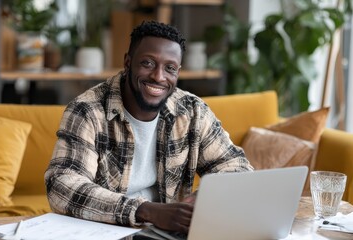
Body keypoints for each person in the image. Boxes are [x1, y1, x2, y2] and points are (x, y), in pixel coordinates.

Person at [44, 20, 253, 234]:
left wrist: (207, 197)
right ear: (128, 63)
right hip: (106, 231)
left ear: (178, 72)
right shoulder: (88, 110)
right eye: (148, 63)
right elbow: (62, 185)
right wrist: (147, 211)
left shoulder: (193, 111)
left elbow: (237, 167)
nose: (158, 76)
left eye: (169, 68)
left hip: (167, 234)